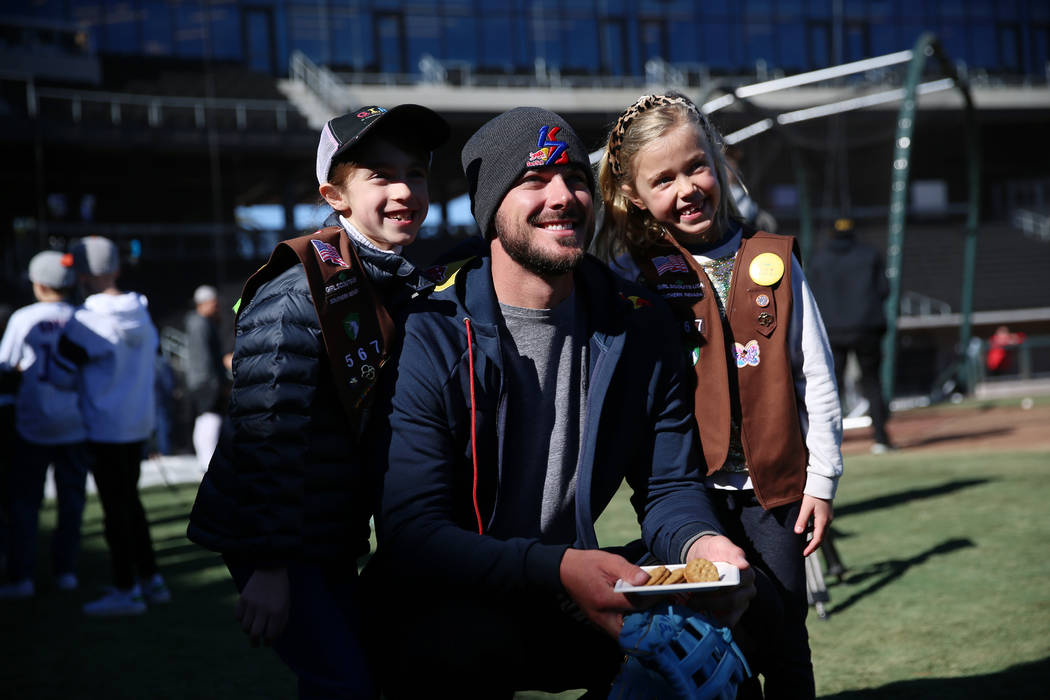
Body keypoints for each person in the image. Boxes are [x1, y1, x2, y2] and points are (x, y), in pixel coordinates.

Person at [363, 106, 755, 699]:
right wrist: (560, 567)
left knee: (717, 637)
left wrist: (705, 548)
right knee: (435, 650)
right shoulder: (430, 327)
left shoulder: (638, 323)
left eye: (574, 176)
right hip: (449, 596)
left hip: (567, 586)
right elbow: (414, 533)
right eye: (533, 180)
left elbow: (668, 486)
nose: (563, 196)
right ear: (490, 207)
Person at [187, 104, 450, 699]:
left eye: (417, 172)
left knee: (351, 676)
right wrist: (270, 567)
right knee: (345, 683)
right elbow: (267, 432)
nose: (406, 190)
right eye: (381, 176)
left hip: (326, 532)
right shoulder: (295, 291)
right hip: (276, 538)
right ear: (335, 195)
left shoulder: (395, 279)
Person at [594, 93, 844, 698]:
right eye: (664, 178)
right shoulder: (635, 275)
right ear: (634, 194)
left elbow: (818, 376)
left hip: (776, 497)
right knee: (714, 635)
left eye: (696, 166)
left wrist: (823, 481)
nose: (687, 187)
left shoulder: (774, 261)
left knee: (784, 629)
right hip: (688, 495)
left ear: (719, 162)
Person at [48, 236, 169, 615]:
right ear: (115, 268)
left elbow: (58, 373)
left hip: (103, 426)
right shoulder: (142, 309)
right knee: (130, 504)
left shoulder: (85, 319)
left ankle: (125, 588)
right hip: (137, 422)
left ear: (83, 273)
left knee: (116, 511)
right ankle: (151, 580)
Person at [0, 251, 90, 598]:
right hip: (76, 422)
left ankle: (21, 576)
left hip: (32, 424)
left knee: (25, 503)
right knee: (71, 501)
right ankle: (65, 571)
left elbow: (6, 365)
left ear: (38, 284)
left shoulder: (24, 318)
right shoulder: (83, 317)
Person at [807, 216, 894, 453]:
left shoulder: (819, 258)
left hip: (832, 330)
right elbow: (884, 290)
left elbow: (810, 295)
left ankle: (830, 441)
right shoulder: (869, 254)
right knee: (872, 381)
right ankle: (881, 439)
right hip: (867, 327)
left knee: (831, 385)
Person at [184, 284, 230, 470]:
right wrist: (216, 382)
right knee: (209, 419)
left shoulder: (201, 322)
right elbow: (205, 358)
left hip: (203, 380)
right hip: (206, 382)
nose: (216, 307)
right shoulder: (200, 323)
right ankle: (208, 462)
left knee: (206, 420)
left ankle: (207, 461)